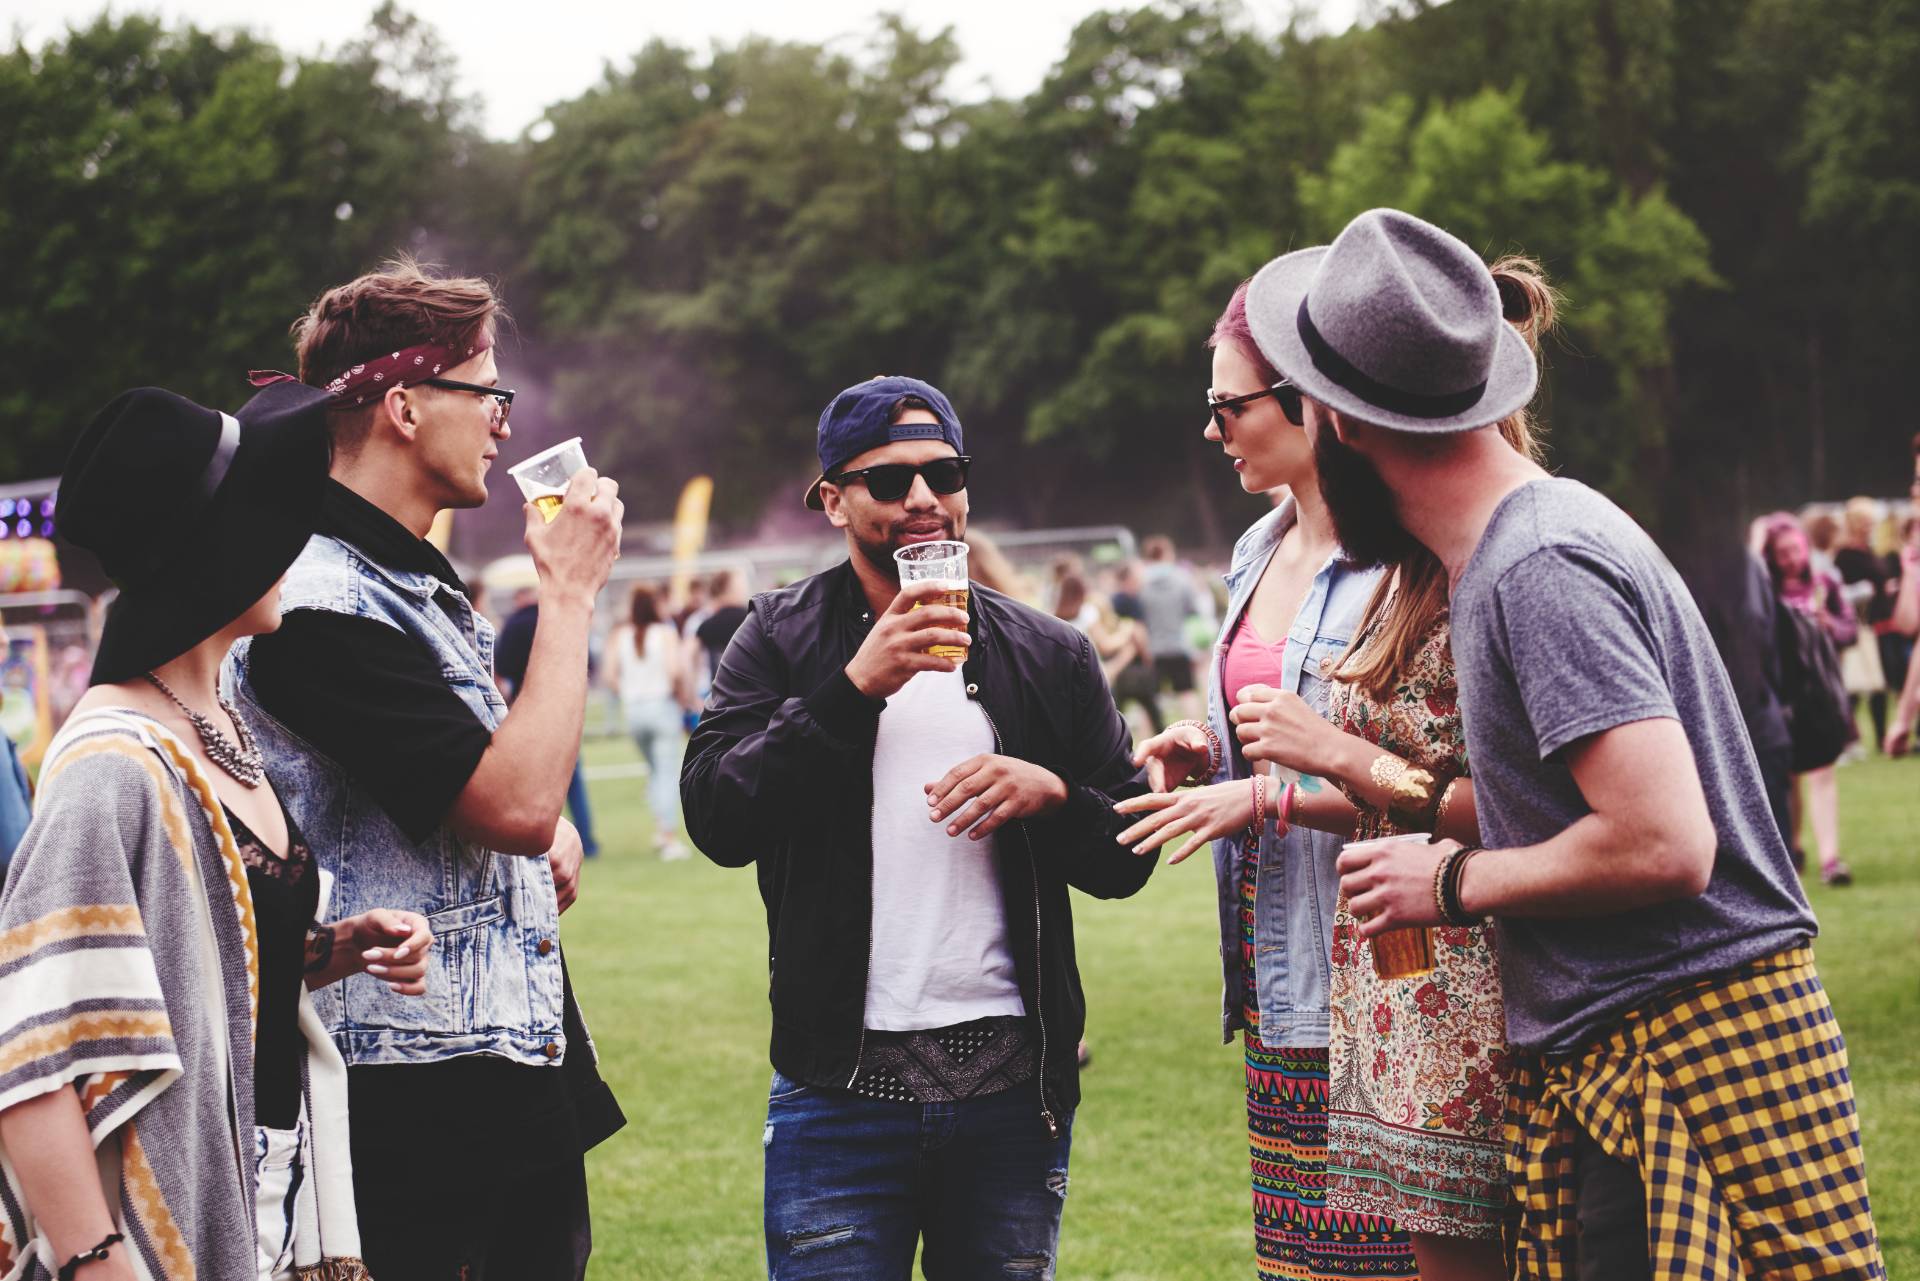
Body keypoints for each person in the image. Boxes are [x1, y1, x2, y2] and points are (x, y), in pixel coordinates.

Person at [1258, 207, 1879, 1277]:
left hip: (1686, 1056)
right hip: (1633, 1051)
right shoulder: (1517, 549)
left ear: (1349, 427)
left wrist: (1447, 880)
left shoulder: (1537, 563)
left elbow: (1662, 843)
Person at [681, 374, 1157, 1280]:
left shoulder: (1049, 652)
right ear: (833, 500)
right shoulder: (779, 635)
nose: (924, 500)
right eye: (890, 482)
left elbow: (1128, 851)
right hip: (838, 1093)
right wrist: (853, 687)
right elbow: (716, 813)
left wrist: (1055, 795)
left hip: (1013, 1098)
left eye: (944, 472)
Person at [229, 258, 627, 1281]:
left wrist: (556, 835)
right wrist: (571, 597)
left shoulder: (406, 583)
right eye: (487, 390)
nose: (505, 418)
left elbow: (502, 789)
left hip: (495, 1069)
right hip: (407, 1094)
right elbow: (514, 802)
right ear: (404, 405)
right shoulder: (318, 603)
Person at [0, 382, 434, 1281]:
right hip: (165, 1239)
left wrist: (327, 949)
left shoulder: (214, 720)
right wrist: (99, 1263)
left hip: (273, 1187)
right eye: (270, 519)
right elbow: (28, 1055)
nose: (293, 541)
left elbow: (197, 967)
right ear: (212, 550)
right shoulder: (111, 766)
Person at [1119, 279, 1414, 1281]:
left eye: (1228, 406)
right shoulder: (1258, 546)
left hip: (1391, 976)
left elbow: (1437, 781)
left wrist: (1260, 797)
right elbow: (1267, 719)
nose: (1212, 431)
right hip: (1279, 975)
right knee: (1300, 1264)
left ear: (1313, 401)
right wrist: (1205, 748)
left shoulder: (1406, 564)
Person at [1761, 513, 1860, 885]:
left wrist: (1829, 624)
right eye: (1782, 552)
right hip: (1781, 696)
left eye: (1795, 549)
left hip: (1821, 694)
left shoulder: (1825, 581)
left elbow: (1851, 630)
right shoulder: (1764, 587)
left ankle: (1831, 859)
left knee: (1821, 770)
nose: (1791, 559)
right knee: (1788, 776)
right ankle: (1794, 849)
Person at [497, 583, 602, 858]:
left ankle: (534, 848)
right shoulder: (556, 621)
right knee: (573, 779)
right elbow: (585, 662)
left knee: (530, 785)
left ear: (519, 598)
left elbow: (502, 669)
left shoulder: (513, 626)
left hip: (524, 710)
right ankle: (586, 840)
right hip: (562, 707)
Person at [606, 583, 692, 860]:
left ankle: (661, 829)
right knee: (667, 773)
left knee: (656, 771)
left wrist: (630, 692)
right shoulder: (665, 633)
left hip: (634, 710)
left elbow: (609, 676)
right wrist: (681, 696)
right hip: (661, 706)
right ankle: (668, 837)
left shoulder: (620, 635)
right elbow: (674, 669)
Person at [1834, 496, 1907, 752]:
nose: (1869, 527)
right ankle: (1843, 737)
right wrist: (1868, 590)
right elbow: (1840, 591)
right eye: (1864, 522)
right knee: (1854, 685)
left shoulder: (1870, 551)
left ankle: (1880, 739)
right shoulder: (1844, 554)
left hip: (1880, 624)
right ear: (1853, 523)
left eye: (1871, 522)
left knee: (1879, 685)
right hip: (1859, 625)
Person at [1138, 535, 1212, 719]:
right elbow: (1193, 611)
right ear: (1166, 553)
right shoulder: (1181, 579)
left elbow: (1140, 617)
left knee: (1150, 700)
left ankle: (1143, 742)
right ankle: (1196, 736)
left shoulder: (1141, 583)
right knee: (1186, 692)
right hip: (1180, 645)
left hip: (1153, 648)